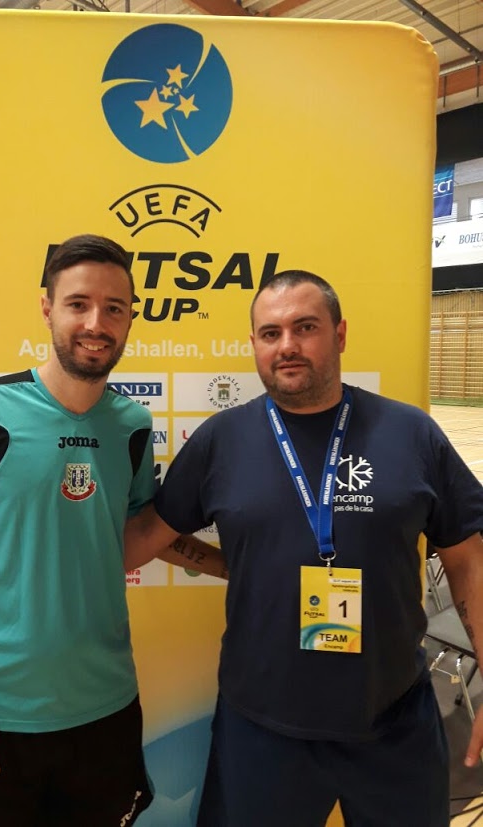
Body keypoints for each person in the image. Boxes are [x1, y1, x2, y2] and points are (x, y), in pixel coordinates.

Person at [125, 270, 483, 827]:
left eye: (305, 327)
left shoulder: (411, 433)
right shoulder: (221, 440)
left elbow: (466, 559)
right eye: (270, 333)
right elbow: (148, 537)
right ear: (254, 345)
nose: (287, 345)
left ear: (339, 334)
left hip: (393, 721)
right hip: (261, 729)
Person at [0, 234, 156, 826]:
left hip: (107, 709)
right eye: (78, 304)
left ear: (130, 317)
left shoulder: (134, 425)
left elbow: (132, 537)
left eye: (114, 308)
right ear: (47, 308)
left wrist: (230, 561)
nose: (96, 323)